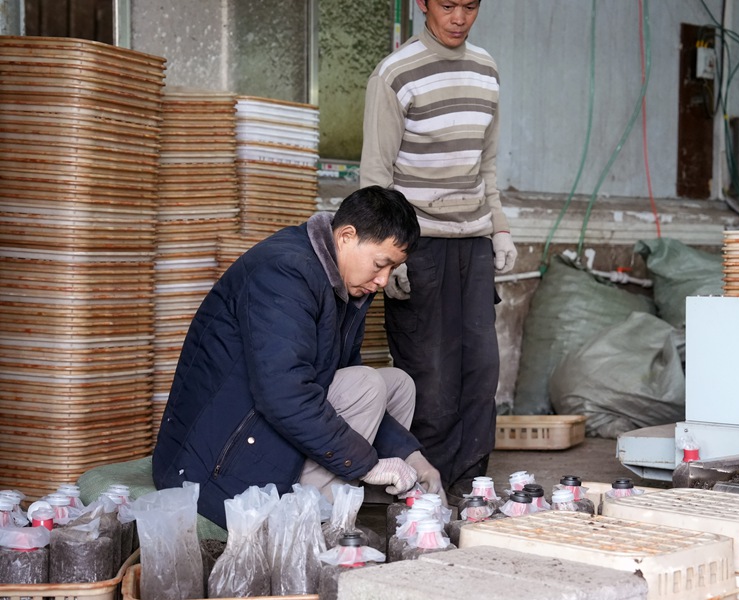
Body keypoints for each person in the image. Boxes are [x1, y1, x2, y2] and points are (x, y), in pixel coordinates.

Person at [152, 186, 446, 528]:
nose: (382, 281)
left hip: (263, 429)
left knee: (397, 384)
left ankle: (337, 497)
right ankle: (301, 527)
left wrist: (411, 457)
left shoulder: (343, 285)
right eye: (381, 264)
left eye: (392, 269)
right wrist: (368, 464)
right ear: (347, 236)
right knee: (367, 384)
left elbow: (339, 376)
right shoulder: (284, 272)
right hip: (213, 465)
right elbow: (284, 394)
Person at [360, 0, 517, 503]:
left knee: (480, 369)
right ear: (423, 5)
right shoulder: (396, 74)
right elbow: (376, 177)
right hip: (419, 244)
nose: (458, 17)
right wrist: (388, 252)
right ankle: (424, 493)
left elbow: (486, 166)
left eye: (469, 6)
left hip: (473, 243)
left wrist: (500, 229)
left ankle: (471, 486)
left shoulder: (486, 70)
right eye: (447, 5)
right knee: (430, 373)